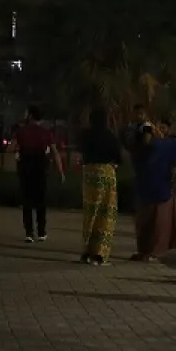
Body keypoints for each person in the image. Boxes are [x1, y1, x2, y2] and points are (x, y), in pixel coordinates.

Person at [79, 107, 123, 265]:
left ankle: (86, 252)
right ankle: (100, 254)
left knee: (90, 213)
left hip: (89, 174)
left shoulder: (85, 135)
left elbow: (81, 152)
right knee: (106, 214)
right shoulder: (111, 136)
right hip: (106, 173)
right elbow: (118, 158)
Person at [131, 123, 176, 260]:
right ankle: (153, 253)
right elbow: (174, 152)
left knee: (143, 225)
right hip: (161, 192)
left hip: (144, 192)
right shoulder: (164, 145)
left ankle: (143, 251)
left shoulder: (138, 149)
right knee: (159, 225)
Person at [14, 105, 63, 242]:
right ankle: (41, 232)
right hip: (41, 168)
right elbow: (55, 152)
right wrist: (60, 170)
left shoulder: (21, 132)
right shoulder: (46, 133)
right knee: (41, 201)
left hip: (25, 169)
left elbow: (11, 147)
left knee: (27, 201)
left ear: (30, 116)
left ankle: (29, 233)